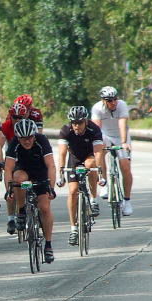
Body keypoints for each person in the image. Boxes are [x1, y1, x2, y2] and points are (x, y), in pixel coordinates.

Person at [4, 117, 56, 263]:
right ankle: (21, 211)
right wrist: (9, 190)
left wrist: (51, 188)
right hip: (23, 171)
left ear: (34, 135)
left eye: (30, 138)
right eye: (23, 139)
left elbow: (51, 165)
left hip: (40, 173)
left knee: (44, 208)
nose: (27, 141)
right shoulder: (14, 143)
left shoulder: (42, 141)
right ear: (18, 137)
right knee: (17, 178)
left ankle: (48, 245)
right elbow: (7, 168)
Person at [56, 105, 104, 246]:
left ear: (86, 121)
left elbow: (98, 152)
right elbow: (62, 153)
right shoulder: (66, 130)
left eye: (79, 123)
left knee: (91, 165)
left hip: (89, 156)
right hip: (74, 159)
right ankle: (73, 229)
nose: (76, 126)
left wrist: (100, 171)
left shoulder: (94, 129)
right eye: (74, 123)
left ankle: (93, 200)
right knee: (72, 192)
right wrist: (61, 173)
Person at [90, 85, 134, 214]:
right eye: (109, 100)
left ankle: (127, 201)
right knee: (100, 149)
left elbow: (122, 124)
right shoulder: (97, 108)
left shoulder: (122, 105)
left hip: (121, 136)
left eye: (115, 99)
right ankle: (104, 182)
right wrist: (99, 146)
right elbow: (97, 130)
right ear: (103, 100)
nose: (113, 102)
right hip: (105, 135)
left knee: (125, 167)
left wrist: (124, 142)